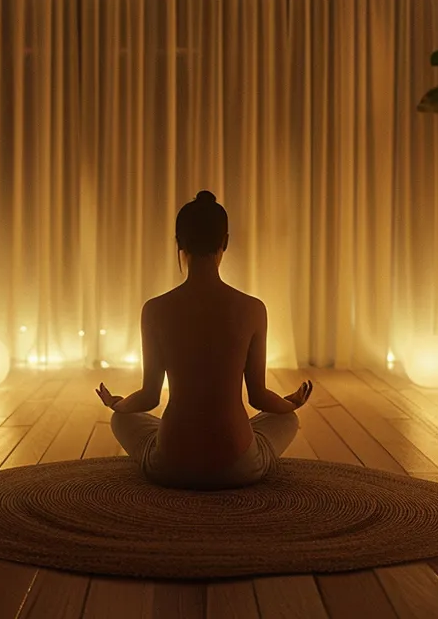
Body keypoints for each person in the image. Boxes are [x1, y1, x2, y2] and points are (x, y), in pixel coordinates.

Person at [96, 190, 312, 490]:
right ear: (225, 241)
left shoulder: (156, 309)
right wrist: (290, 404)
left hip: (170, 466)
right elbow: (259, 397)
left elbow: (149, 397)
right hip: (238, 467)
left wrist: (117, 405)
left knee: (122, 420)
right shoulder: (252, 308)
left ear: (179, 243)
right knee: (287, 420)